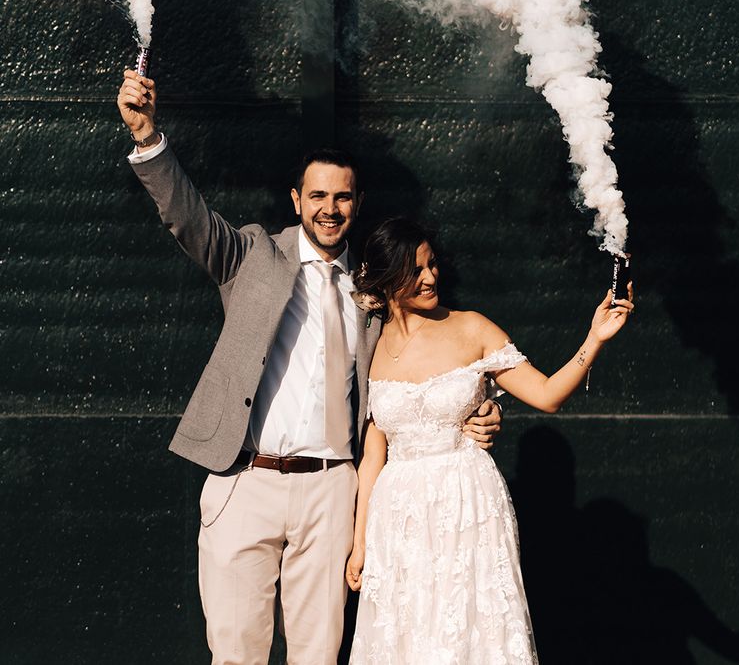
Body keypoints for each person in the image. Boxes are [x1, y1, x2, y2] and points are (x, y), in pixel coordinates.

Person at [115, 69, 504, 664]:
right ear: (296, 201)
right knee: (236, 655)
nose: (329, 209)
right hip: (244, 480)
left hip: (333, 489)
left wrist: (479, 411)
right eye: (317, 196)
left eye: (342, 197)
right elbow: (188, 217)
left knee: (318, 656)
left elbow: (427, 363)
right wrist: (146, 137)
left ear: (358, 204)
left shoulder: (377, 292)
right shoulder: (249, 254)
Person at [345, 218, 635, 664]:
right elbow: (372, 456)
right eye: (415, 269)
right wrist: (360, 540)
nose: (430, 277)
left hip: (467, 505)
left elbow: (547, 394)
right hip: (398, 518)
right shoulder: (371, 343)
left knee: (472, 638)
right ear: (386, 282)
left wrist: (594, 338)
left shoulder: (472, 328)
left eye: (432, 264)